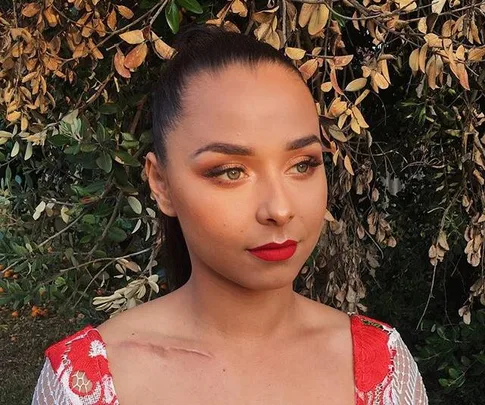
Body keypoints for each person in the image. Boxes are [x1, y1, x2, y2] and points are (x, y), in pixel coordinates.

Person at [32, 25, 428, 405]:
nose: (280, 208)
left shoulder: (384, 368)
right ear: (161, 184)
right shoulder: (83, 383)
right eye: (230, 172)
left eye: (303, 165)